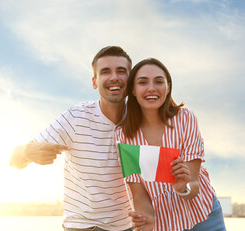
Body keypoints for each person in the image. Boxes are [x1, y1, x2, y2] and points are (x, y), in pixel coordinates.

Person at [10, 46, 152, 231]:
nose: (114, 77)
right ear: (95, 82)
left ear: (131, 80)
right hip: (82, 226)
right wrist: (27, 152)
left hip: (126, 227)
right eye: (105, 71)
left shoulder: (142, 121)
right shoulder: (76, 117)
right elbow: (14, 160)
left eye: (121, 71)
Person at [115, 58, 226, 231]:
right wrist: (146, 220)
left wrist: (184, 187)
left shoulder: (185, 119)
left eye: (159, 81)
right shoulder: (123, 136)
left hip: (204, 217)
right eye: (143, 82)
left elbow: (193, 184)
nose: (151, 88)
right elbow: (139, 194)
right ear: (133, 90)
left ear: (167, 88)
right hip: (163, 223)